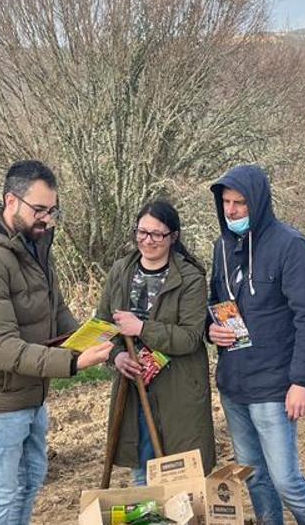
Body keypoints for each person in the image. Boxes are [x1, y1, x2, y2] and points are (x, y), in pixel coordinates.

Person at [0, 159, 113, 525]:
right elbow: (1, 347)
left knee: (29, 482)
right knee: (2, 495)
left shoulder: (34, 245)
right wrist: (72, 362)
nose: (47, 219)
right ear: (11, 201)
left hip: (30, 393)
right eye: (39, 209)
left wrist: (97, 336)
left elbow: (56, 312)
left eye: (52, 210)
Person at [207, 164, 305, 525]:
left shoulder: (291, 246)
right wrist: (209, 329)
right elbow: (216, 304)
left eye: (240, 203)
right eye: (227, 202)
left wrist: (302, 382)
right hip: (234, 385)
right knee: (255, 477)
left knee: (287, 482)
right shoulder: (222, 248)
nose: (232, 210)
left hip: (275, 387)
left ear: (258, 203)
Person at [98, 199, 216, 485]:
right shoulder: (120, 271)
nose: (147, 240)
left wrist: (141, 327)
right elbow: (102, 326)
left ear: (173, 237)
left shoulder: (190, 277)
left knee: (180, 474)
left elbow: (190, 337)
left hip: (179, 389)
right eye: (141, 232)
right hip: (134, 387)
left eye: (157, 234)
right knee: (142, 469)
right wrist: (116, 357)